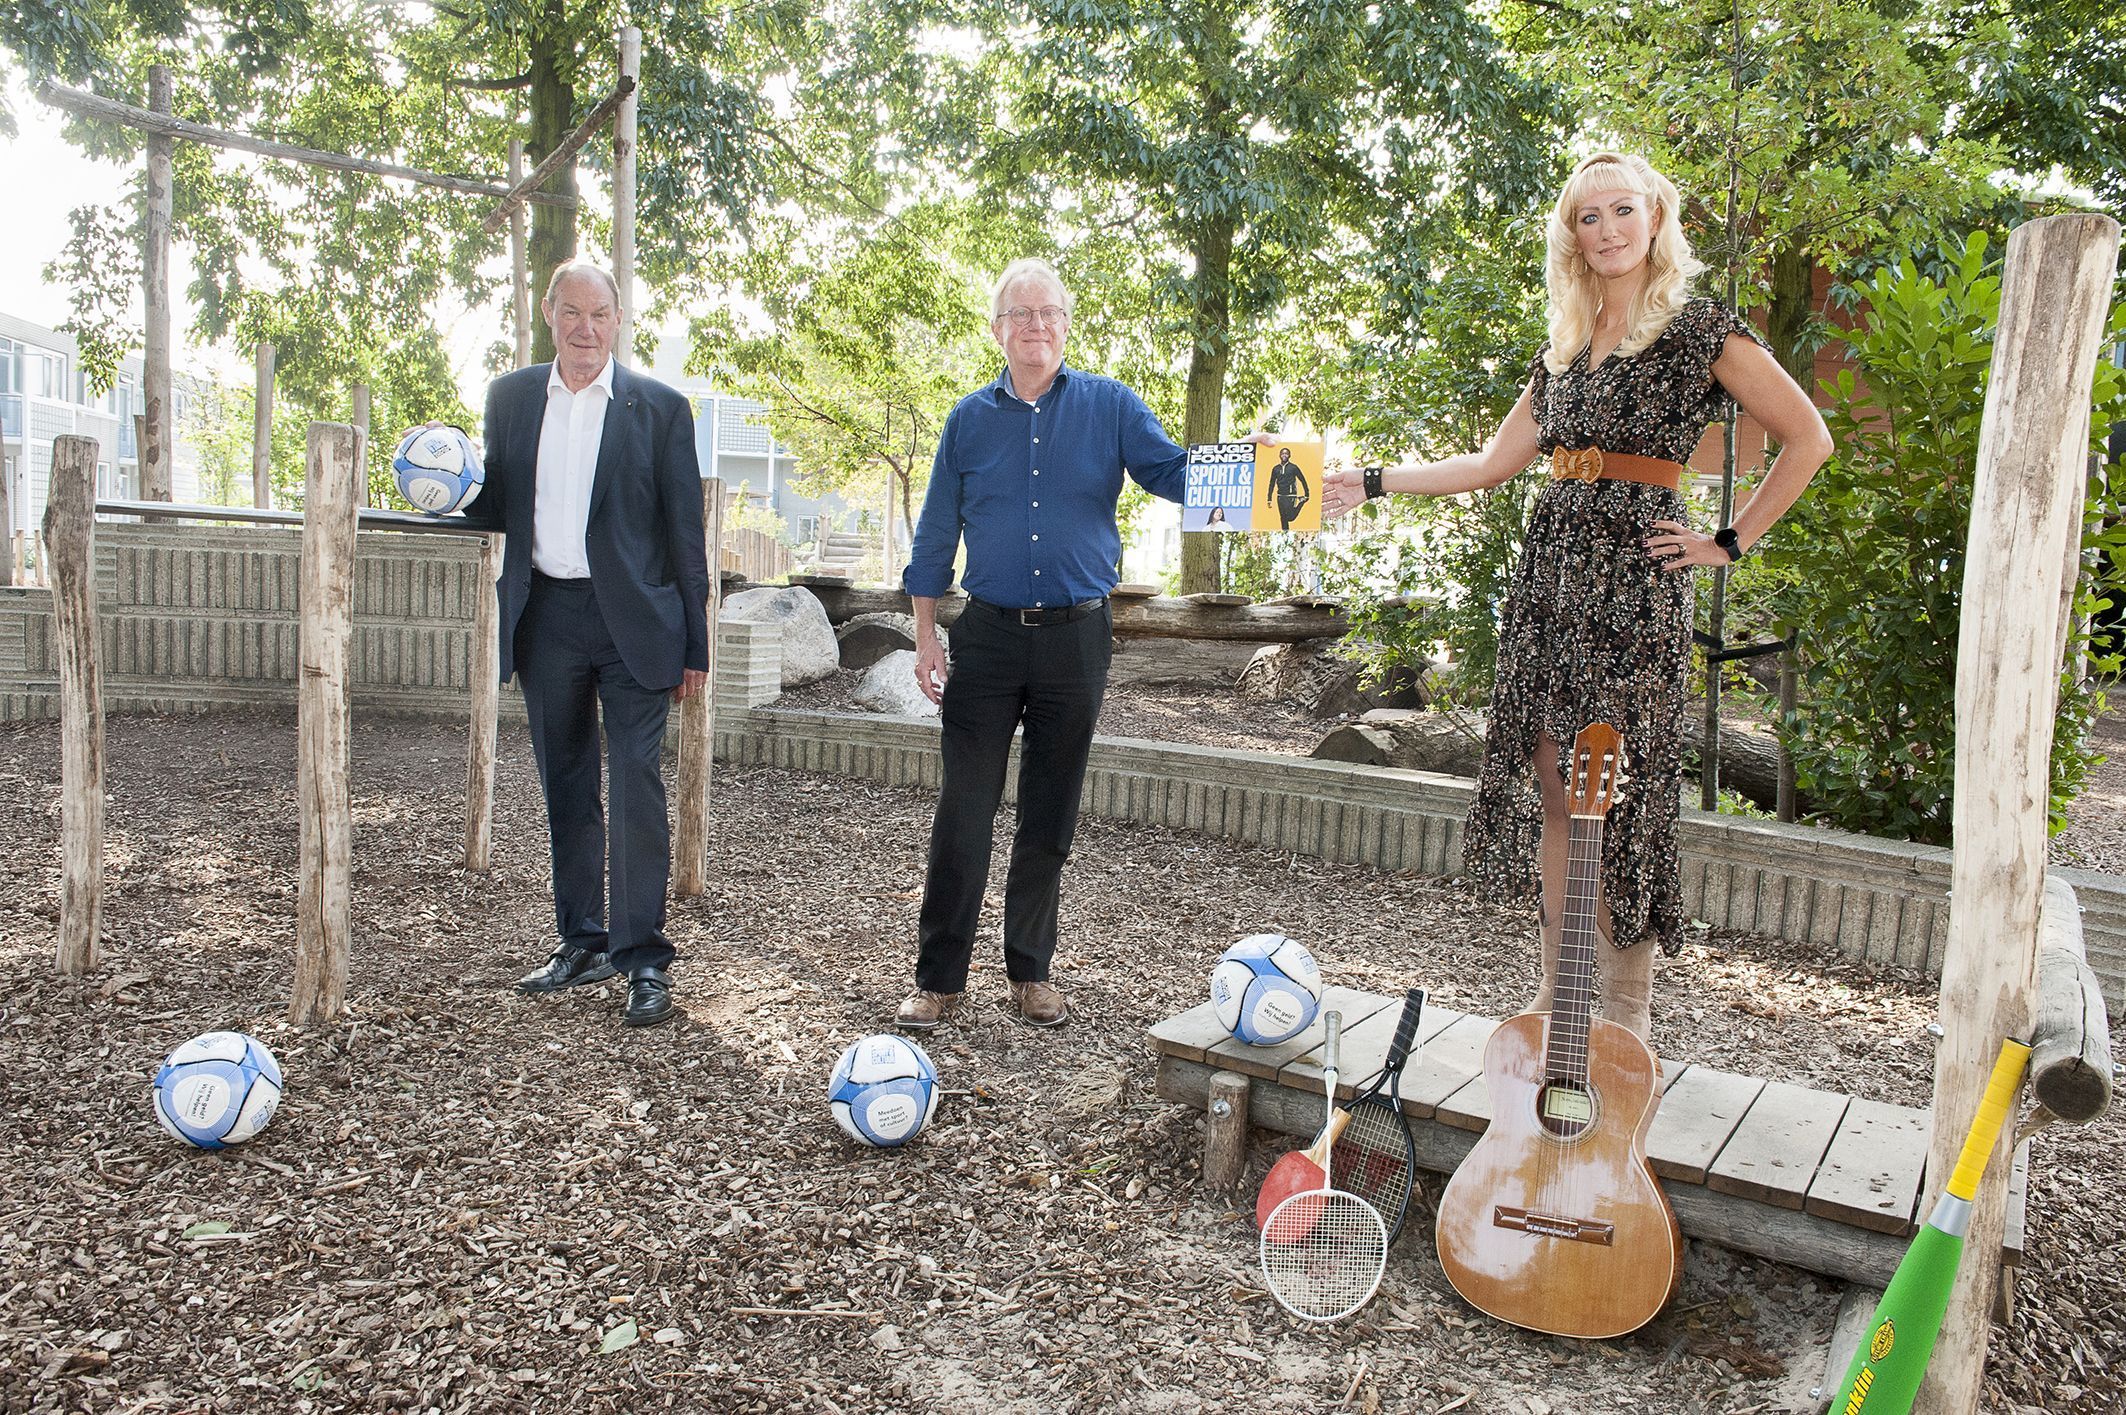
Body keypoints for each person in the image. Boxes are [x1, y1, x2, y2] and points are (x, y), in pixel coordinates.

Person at [1319, 152, 1831, 1043]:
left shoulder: (1702, 329)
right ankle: (1561, 994)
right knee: (1559, 785)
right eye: (1587, 218)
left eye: (1621, 211)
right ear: (1571, 235)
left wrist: (1728, 540)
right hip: (1553, 576)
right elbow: (1489, 463)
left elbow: (1809, 438)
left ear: (1657, 219)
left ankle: (1624, 1013)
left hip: (1637, 577)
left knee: (1621, 790)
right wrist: (1370, 479)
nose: (1606, 231)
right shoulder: (1565, 343)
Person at [896, 257, 1192, 1030]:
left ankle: (1031, 971)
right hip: (987, 637)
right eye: (1019, 314)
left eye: (1047, 312)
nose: (1035, 325)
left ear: (1067, 323)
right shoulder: (967, 420)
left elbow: (1176, 474)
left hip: (1077, 639)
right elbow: (934, 538)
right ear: (997, 331)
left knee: (1050, 814)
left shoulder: (1110, 406)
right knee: (964, 809)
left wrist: (1261, 463)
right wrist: (926, 635)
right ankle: (938, 980)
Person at [457, 261, 710, 1029]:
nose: (586, 329)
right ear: (548, 313)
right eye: (572, 313)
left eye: (600, 315)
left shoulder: (661, 409)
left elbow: (684, 535)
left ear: (618, 318)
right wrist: (445, 486)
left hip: (634, 622)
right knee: (565, 781)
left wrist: (696, 646)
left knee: (635, 782)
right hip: (546, 616)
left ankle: (644, 959)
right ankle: (582, 939)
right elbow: (495, 502)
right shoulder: (509, 398)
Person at [1266, 446, 1311, 530]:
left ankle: (1301, 502)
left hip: (1290, 495)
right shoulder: (1276, 469)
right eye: (1282, 453)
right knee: (1283, 519)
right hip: (1280, 496)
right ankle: (1285, 533)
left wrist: (1307, 493)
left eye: (1286, 454)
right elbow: (1271, 483)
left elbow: (1302, 479)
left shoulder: (1293, 467)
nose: (1284, 455)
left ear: (1289, 455)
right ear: (1279, 455)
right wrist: (1269, 498)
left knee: (1291, 518)